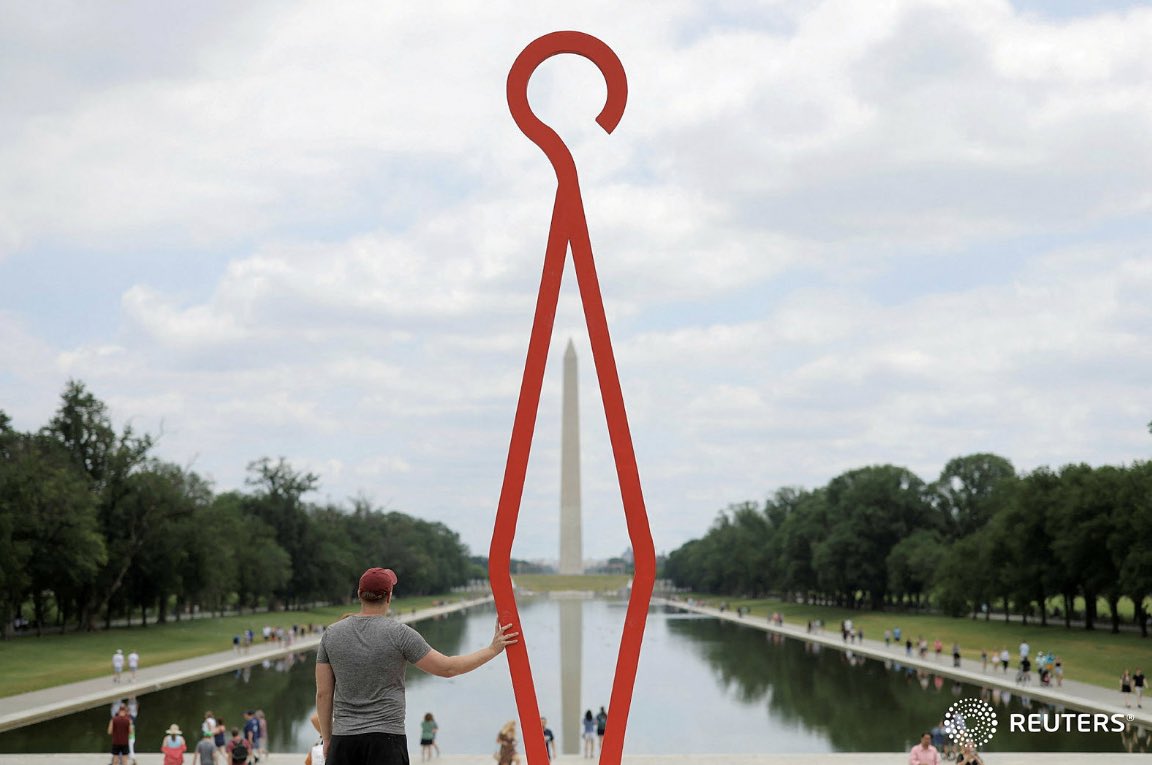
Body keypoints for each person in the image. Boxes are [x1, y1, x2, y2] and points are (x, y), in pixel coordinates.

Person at [314, 566, 517, 765]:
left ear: (359, 594)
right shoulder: (400, 634)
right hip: (387, 741)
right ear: (389, 596)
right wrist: (492, 649)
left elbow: (323, 694)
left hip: (344, 740)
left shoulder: (331, 634)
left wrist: (328, 738)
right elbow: (448, 668)